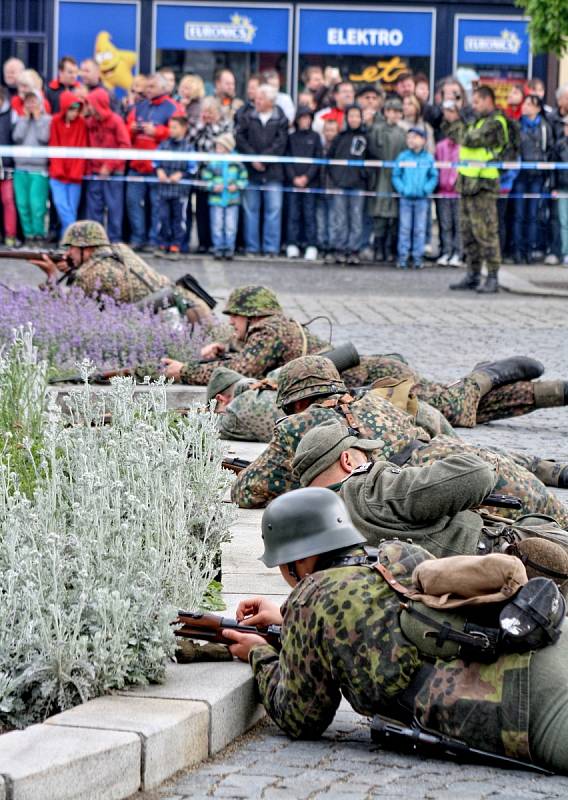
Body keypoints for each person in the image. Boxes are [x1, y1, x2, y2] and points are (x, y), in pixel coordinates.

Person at [223, 487, 568, 776]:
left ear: (295, 563)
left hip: (522, 703)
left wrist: (257, 651)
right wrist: (291, 624)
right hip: (545, 640)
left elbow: (300, 718)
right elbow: (385, 614)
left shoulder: (310, 598)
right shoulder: (396, 553)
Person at [161, 285, 568, 429]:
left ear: (251, 315)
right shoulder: (277, 327)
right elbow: (243, 359)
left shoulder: (268, 330)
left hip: (376, 379)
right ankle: (553, 393)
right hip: (372, 377)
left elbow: (242, 371)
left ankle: (484, 374)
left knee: (455, 405)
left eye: (233, 318)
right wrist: (224, 348)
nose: (229, 324)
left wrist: (186, 370)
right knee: (470, 411)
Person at [229, 356, 568, 525]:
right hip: (474, 463)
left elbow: (247, 491)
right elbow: (434, 424)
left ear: (296, 402)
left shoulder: (296, 426)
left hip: (446, 491)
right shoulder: (377, 400)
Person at [292, 419, 568, 556]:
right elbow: (475, 474)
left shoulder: (321, 526)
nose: (372, 458)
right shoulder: (369, 486)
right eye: (364, 453)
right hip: (509, 556)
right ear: (347, 459)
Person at [28, 220, 212, 321]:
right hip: (190, 303)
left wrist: (52, 277)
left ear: (88, 248)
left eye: (72, 248)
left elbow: (69, 315)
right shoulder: (120, 249)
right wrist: (74, 270)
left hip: (182, 318)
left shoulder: (90, 273)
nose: (68, 253)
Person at [445, 85, 507, 294]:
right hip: (467, 185)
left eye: (477, 102)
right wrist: (457, 119)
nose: (474, 106)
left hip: (484, 186)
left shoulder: (496, 123)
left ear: (488, 100)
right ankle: (472, 274)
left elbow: (470, 139)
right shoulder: (476, 122)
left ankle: (492, 276)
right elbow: (453, 134)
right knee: (468, 233)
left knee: (486, 233)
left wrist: (461, 118)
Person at [126, 73, 179, 251]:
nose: (147, 90)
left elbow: (176, 132)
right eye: (147, 86)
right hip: (137, 164)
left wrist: (156, 132)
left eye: (152, 86)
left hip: (158, 166)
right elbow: (128, 128)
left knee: (156, 205)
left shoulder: (172, 107)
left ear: (164, 88)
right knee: (133, 201)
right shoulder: (139, 106)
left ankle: (153, 240)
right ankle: (137, 237)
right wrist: (132, 129)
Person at [235, 84, 288, 257]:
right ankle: (252, 247)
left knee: (273, 211)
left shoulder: (281, 118)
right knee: (251, 211)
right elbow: (240, 138)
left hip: (273, 172)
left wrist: (264, 159)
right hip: (252, 171)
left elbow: (281, 143)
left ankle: (271, 248)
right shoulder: (247, 116)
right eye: (256, 97)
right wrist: (253, 158)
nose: (256, 101)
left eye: (260, 98)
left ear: (270, 101)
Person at [84, 87, 129, 243]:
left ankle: (115, 241)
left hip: (114, 173)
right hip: (95, 172)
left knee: (114, 209)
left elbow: (125, 146)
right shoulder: (89, 122)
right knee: (93, 209)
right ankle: (95, 240)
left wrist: (109, 166)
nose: (87, 106)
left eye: (90, 103)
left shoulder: (116, 121)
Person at [511, 94, 553, 264]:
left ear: (537, 108)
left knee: (533, 214)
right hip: (520, 175)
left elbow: (549, 148)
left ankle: (530, 249)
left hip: (537, 176)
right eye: (525, 103)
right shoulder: (517, 126)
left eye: (530, 104)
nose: (525, 107)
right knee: (519, 214)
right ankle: (518, 250)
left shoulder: (544, 127)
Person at [189, 96, 233, 254]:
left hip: (219, 175)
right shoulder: (199, 125)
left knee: (216, 211)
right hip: (201, 175)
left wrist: (212, 125)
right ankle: (203, 242)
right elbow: (190, 139)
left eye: (210, 111)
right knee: (200, 210)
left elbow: (223, 142)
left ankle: (217, 243)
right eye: (205, 111)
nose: (207, 115)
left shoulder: (225, 125)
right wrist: (202, 124)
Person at [392, 128, 438, 270]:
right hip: (406, 198)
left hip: (422, 199)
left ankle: (418, 257)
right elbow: (396, 175)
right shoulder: (403, 157)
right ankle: (403, 257)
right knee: (405, 228)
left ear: (423, 140)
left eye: (415, 137)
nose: (411, 140)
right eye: (409, 137)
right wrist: (402, 189)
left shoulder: (428, 158)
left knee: (419, 229)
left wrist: (427, 189)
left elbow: (434, 176)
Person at [327, 104, 368, 265]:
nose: (354, 119)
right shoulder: (340, 137)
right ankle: (339, 248)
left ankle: (354, 250)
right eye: (351, 116)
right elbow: (330, 158)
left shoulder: (366, 137)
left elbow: (371, 159)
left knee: (356, 218)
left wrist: (363, 175)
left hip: (358, 184)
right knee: (340, 218)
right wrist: (336, 176)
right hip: (340, 183)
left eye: (357, 116)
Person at [367, 97, 406, 264]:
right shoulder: (377, 130)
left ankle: (391, 249)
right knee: (380, 214)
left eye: (398, 112)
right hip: (381, 176)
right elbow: (373, 149)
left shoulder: (403, 133)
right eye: (391, 111)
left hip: (397, 177)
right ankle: (378, 248)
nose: (394, 115)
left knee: (395, 216)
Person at [11, 91, 51, 244]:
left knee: (37, 205)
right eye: (28, 102)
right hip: (20, 168)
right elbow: (17, 137)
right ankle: (28, 235)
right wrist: (26, 120)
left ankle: (39, 234)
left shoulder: (47, 120)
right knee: (22, 204)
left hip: (38, 169)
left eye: (34, 101)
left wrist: (38, 118)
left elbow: (44, 138)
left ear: (41, 103)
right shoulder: (21, 120)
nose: (31, 105)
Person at [201, 132, 248, 260]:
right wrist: (212, 186)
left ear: (228, 148)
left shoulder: (237, 162)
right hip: (216, 200)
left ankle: (229, 249)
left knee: (230, 226)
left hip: (232, 200)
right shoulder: (213, 162)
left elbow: (244, 178)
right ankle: (218, 248)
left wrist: (237, 185)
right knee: (217, 225)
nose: (217, 149)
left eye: (220, 146)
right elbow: (205, 178)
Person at [153, 115, 194, 260]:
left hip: (180, 191)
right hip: (163, 190)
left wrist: (181, 175)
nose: (171, 130)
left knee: (178, 219)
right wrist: (159, 170)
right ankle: (162, 244)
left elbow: (193, 168)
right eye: (170, 127)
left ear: (183, 129)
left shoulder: (188, 148)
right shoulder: (163, 145)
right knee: (162, 217)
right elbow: (155, 161)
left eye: (174, 127)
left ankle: (176, 246)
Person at [285, 106, 322, 261]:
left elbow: (317, 159)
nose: (305, 121)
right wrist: (294, 177)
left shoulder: (315, 137)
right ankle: (292, 244)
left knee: (309, 214)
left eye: (308, 118)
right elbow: (286, 159)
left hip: (310, 184)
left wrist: (307, 177)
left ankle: (311, 245)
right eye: (303, 118)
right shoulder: (291, 137)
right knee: (293, 214)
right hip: (293, 183)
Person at [48, 92, 87, 235]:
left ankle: (66, 241)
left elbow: (82, 147)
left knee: (71, 208)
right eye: (71, 108)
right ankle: (73, 237)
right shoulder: (55, 121)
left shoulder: (82, 123)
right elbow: (54, 145)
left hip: (75, 175)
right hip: (58, 175)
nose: (74, 112)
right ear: (64, 108)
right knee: (61, 206)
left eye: (77, 109)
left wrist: (76, 171)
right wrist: (58, 170)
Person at [206, 367, 280, 441]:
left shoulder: (235, 414)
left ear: (221, 400)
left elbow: (207, 427)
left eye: (220, 413)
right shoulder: (274, 381)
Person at [435, 119, 462, 267]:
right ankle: (446, 251)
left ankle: (458, 253)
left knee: (458, 225)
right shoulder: (440, 147)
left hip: (458, 193)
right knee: (445, 224)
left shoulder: (463, 148)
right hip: (443, 191)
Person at [318, 118, 340, 264]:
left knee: (333, 219)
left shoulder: (338, 147)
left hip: (334, 187)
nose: (329, 133)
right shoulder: (319, 147)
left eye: (333, 130)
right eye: (327, 130)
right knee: (321, 219)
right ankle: (322, 245)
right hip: (319, 188)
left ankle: (332, 246)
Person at [0, 86, 17, 245]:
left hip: (7, 167)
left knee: (8, 200)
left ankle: (10, 235)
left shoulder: (11, 114)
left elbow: (16, 137)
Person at [554, 115, 568, 266]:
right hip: (563, 187)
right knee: (564, 222)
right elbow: (554, 169)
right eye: (565, 126)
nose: (566, 129)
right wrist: (553, 187)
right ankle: (565, 253)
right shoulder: (560, 145)